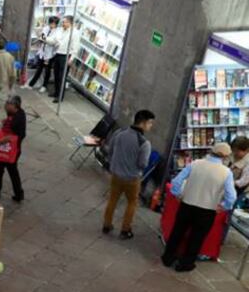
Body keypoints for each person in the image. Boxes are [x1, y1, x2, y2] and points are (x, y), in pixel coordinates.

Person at [162, 142, 237, 272]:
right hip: (207, 210)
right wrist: (224, 206)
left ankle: (167, 258)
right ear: (225, 156)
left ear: (211, 151)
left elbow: (176, 181)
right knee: (197, 238)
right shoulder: (226, 173)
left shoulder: (195, 164)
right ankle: (185, 264)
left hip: (187, 204)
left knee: (177, 232)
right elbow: (231, 196)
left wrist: (177, 194)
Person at [102, 110, 155, 239]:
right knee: (132, 202)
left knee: (112, 199)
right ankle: (125, 230)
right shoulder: (144, 143)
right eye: (150, 123)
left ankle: (107, 225)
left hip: (116, 175)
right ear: (143, 123)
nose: (151, 126)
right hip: (132, 179)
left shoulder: (119, 133)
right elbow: (143, 164)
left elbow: (110, 150)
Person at [0, 95, 26, 202]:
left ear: (15, 106)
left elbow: (10, 137)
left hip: (9, 149)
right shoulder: (20, 113)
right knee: (12, 172)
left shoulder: (16, 120)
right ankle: (18, 194)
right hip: (14, 149)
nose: (5, 106)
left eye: (8, 104)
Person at [29, 16, 59, 91]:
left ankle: (44, 86)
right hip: (42, 52)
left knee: (47, 71)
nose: (51, 25)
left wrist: (44, 39)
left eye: (53, 24)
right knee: (39, 69)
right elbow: (42, 37)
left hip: (50, 54)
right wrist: (45, 39)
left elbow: (52, 42)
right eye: (51, 23)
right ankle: (31, 84)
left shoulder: (57, 31)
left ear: (56, 24)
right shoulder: (46, 28)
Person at [49, 16, 72, 102]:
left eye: (65, 22)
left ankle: (60, 96)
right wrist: (44, 38)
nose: (63, 24)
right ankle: (56, 92)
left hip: (66, 56)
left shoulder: (74, 33)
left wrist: (71, 59)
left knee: (62, 77)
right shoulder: (60, 30)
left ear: (70, 23)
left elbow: (75, 48)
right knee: (56, 74)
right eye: (63, 22)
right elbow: (53, 40)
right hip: (57, 54)